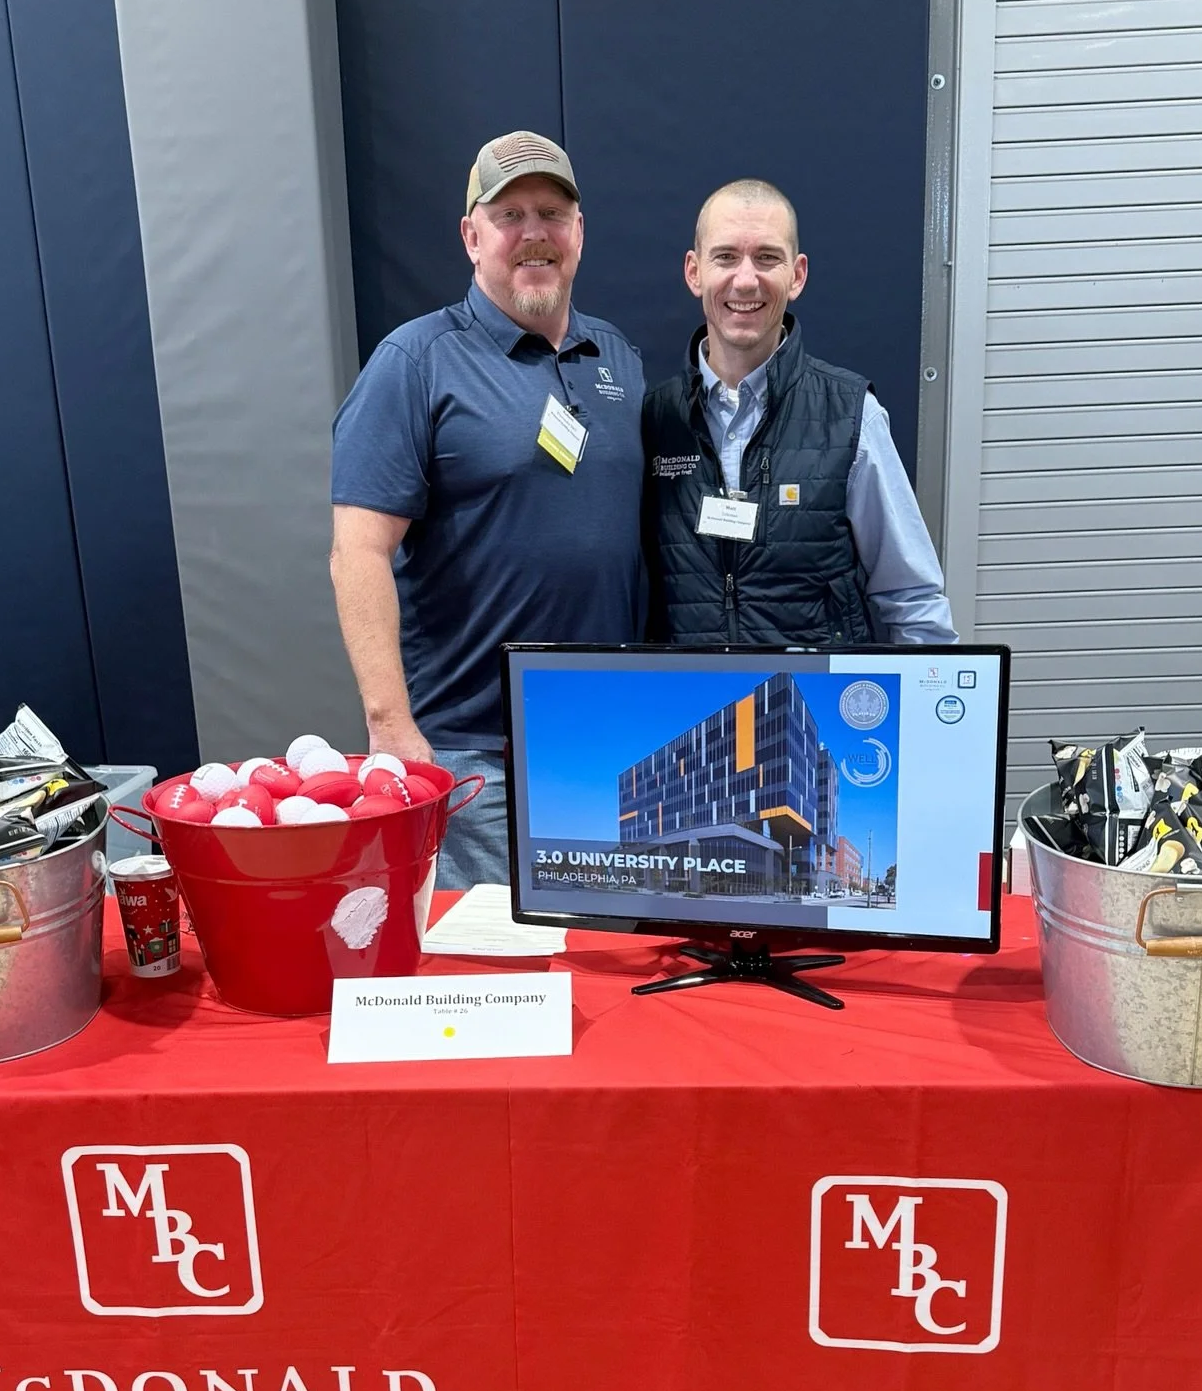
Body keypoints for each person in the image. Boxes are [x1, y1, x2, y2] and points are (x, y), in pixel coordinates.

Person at [330, 131, 645, 888]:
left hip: (607, 749)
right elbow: (358, 553)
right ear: (472, 236)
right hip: (473, 754)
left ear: (579, 232)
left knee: (605, 976)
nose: (534, 233)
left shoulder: (620, 359)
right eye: (509, 214)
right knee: (493, 980)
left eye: (552, 212)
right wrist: (390, 725)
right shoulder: (416, 363)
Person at [642, 178, 956, 648]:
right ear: (694, 272)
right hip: (690, 708)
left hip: (817, 708)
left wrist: (936, 707)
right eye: (725, 256)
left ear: (797, 275)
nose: (745, 280)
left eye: (767, 258)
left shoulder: (851, 417)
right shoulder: (654, 420)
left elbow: (910, 597)